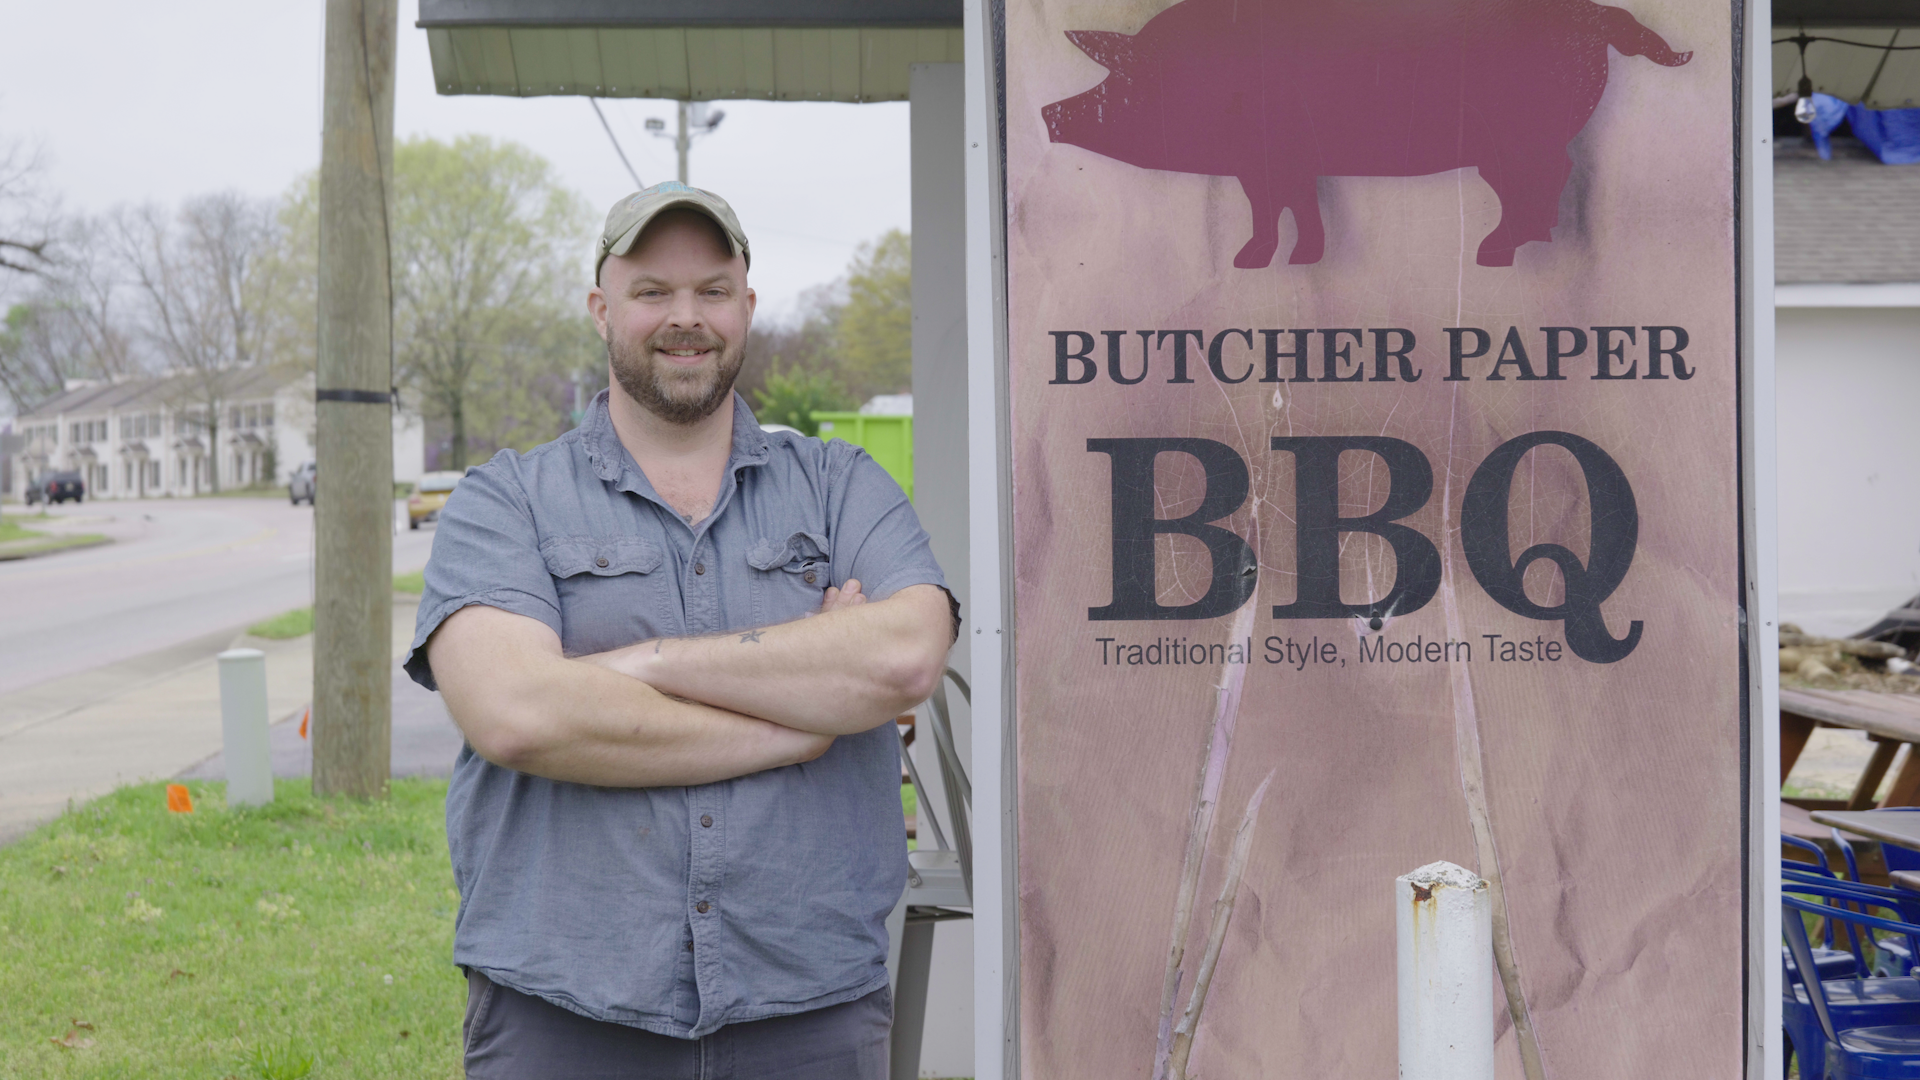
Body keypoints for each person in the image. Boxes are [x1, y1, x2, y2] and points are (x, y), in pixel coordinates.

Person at [404, 180, 957, 1079]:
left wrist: (640, 665)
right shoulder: (503, 500)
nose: (685, 317)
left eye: (710, 290)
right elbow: (516, 714)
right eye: (652, 292)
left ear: (747, 304)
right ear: (601, 309)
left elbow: (902, 656)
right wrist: (803, 725)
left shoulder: (841, 483)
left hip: (809, 1011)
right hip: (565, 1012)